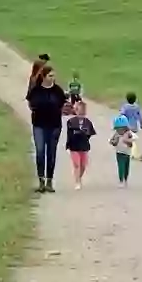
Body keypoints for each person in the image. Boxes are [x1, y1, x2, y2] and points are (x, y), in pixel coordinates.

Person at [26, 55, 67, 194]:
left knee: (51, 153)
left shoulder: (58, 91)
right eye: (50, 75)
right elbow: (30, 104)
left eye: (54, 76)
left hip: (55, 125)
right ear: (43, 76)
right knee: (40, 152)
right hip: (39, 124)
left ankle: (49, 181)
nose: (52, 78)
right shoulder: (36, 91)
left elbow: (63, 106)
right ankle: (41, 181)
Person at [63, 89, 97, 188]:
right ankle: (77, 181)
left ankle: (80, 177)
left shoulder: (88, 122)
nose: (81, 113)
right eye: (79, 111)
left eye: (83, 112)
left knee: (83, 165)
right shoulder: (71, 122)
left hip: (84, 146)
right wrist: (68, 145)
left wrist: (86, 134)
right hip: (74, 146)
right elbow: (69, 134)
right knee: (76, 164)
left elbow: (90, 133)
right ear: (75, 111)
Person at [110, 103, 139, 184]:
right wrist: (113, 142)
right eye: (117, 129)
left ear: (125, 127)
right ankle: (121, 180)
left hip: (127, 153)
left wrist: (128, 141)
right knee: (121, 166)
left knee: (126, 166)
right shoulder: (116, 134)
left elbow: (135, 138)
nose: (119, 131)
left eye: (121, 129)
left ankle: (125, 178)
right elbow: (111, 141)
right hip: (119, 152)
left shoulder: (129, 133)